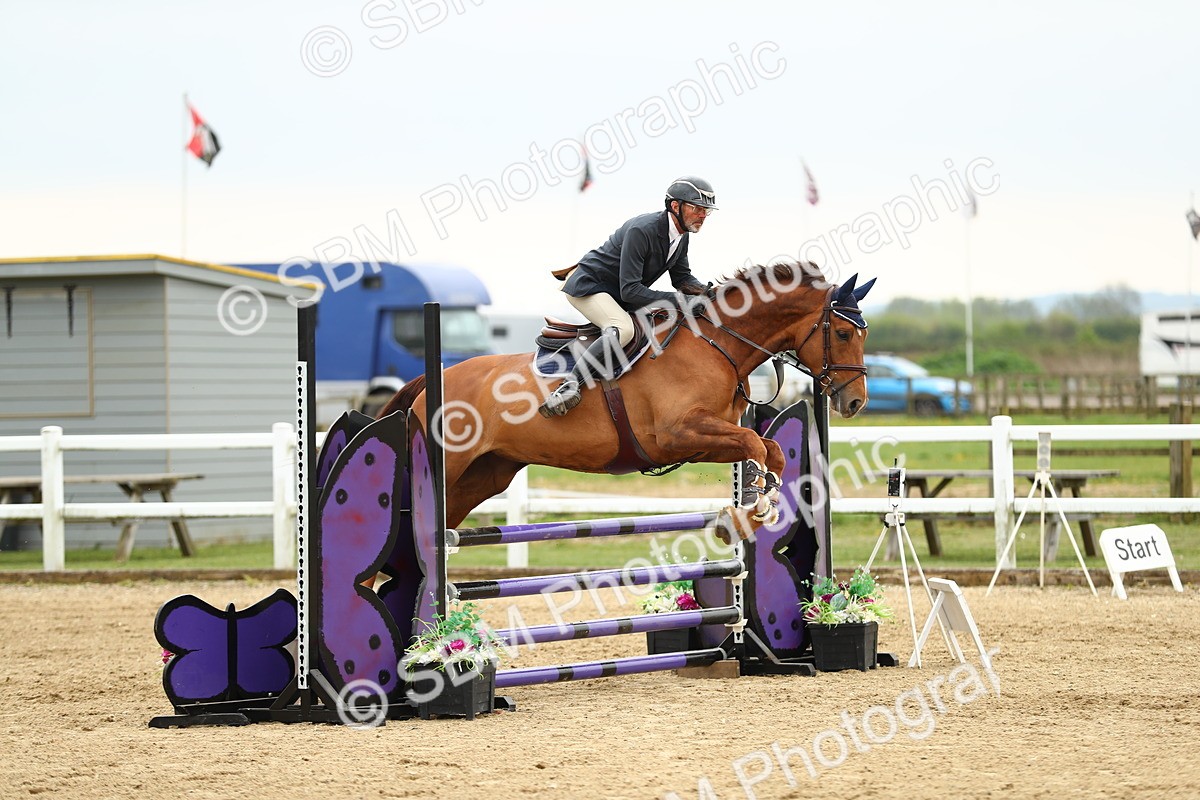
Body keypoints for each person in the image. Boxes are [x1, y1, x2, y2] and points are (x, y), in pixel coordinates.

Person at [539, 176, 717, 418]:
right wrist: (680, 301)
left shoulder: (681, 236)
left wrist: (711, 294)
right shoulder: (641, 230)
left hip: (618, 294)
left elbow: (682, 278)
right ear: (675, 206)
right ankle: (569, 386)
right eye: (697, 208)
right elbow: (630, 291)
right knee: (623, 329)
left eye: (706, 210)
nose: (703, 216)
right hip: (590, 286)